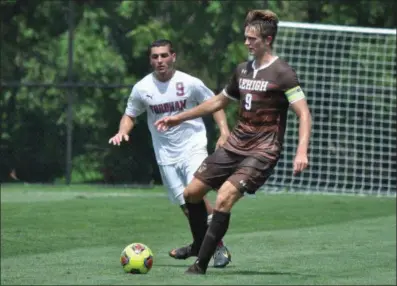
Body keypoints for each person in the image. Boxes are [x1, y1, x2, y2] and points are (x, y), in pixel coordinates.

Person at [155, 9, 312, 275]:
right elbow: (218, 101)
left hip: (263, 150)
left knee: (224, 198)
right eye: (246, 38)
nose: (247, 43)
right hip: (235, 145)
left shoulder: (283, 72)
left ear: (268, 39)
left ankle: (200, 265)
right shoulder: (242, 70)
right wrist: (178, 118)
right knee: (191, 193)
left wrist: (301, 151)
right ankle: (197, 244)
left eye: (252, 39)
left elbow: (304, 113)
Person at [108, 39, 232, 268]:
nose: (159, 61)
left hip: (193, 146)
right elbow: (130, 115)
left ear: (173, 56)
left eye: (164, 55)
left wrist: (224, 131)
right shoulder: (142, 88)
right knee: (186, 205)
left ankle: (218, 245)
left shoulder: (189, 82)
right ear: (150, 60)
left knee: (194, 192)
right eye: (155, 57)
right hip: (165, 154)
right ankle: (200, 244)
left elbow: (215, 103)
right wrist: (122, 131)